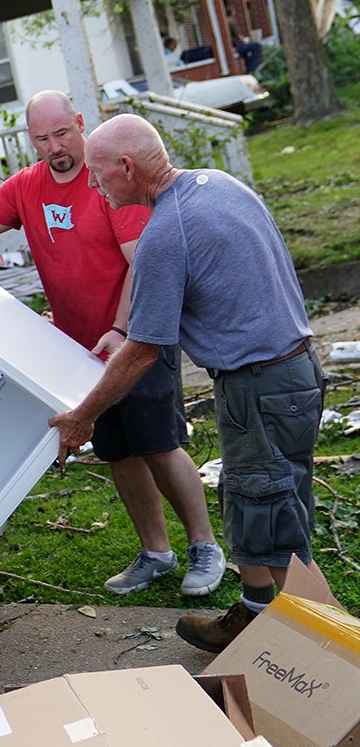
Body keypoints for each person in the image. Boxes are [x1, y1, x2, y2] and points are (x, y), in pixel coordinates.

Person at [0, 91, 225, 597]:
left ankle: (205, 548)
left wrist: (121, 330)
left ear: (79, 124)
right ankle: (156, 553)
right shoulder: (26, 187)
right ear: (31, 140)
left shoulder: (106, 180)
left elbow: (141, 263)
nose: (55, 147)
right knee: (119, 450)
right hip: (80, 352)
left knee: (159, 444)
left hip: (137, 340)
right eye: (42, 139)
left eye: (61, 134)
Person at [49, 113, 324, 653]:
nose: (95, 185)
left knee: (273, 519)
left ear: (127, 168)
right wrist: (124, 331)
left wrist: (82, 416)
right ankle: (253, 613)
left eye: (99, 174)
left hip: (258, 385)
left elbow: (142, 357)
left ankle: (317, 654)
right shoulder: (218, 185)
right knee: (261, 502)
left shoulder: (163, 234)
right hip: (296, 371)